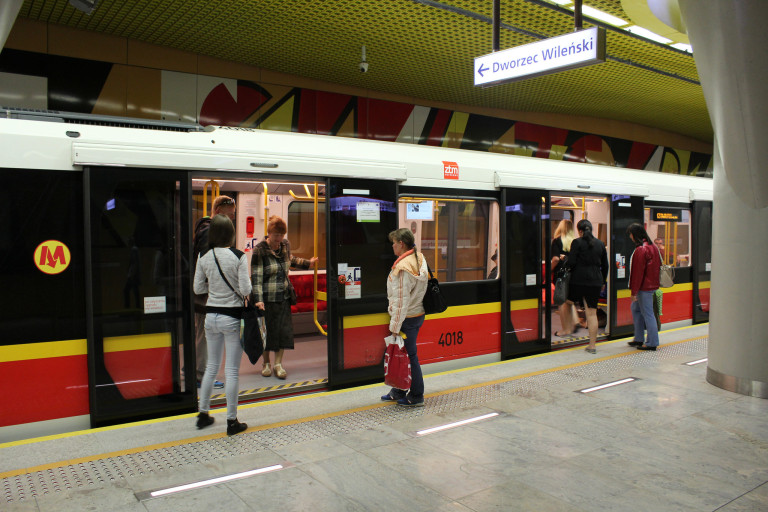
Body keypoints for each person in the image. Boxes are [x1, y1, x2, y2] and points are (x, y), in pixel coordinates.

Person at [193, 214, 250, 435]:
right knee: (232, 370)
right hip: (231, 317)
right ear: (231, 233)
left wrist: (215, 290)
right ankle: (232, 421)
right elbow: (245, 290)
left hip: (210, 317)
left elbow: (198, 289)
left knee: (211, 366)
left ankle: (203, 414)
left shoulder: (203, 255)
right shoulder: (238, 256)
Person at [251, 215, 317, 379]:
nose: (278, 240)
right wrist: (258, 299)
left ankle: (278, 364)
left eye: (281, 236)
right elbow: (256, 276)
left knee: (282, 331)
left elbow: (290, 260)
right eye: (275, 236)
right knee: (266, 332)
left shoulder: (285, 245)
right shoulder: (260, 249)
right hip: (266, 298)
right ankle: (266, 363)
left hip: (284, 295)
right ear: (269, 234)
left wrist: (308, 263)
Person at [381, 228, 429, 407]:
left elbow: (401, 300)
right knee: (405, 356)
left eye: (394, 243)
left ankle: (417, 395)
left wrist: (394, 326)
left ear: (401, 244)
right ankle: (399, 389)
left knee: (409, 356)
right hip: (416, 314)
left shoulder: (403, 268)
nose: (392, 246)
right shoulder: (418, 258)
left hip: (406, 318)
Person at [192, 195, 236, 389]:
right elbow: (209, 264)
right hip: (206, 295)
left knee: (203, 332)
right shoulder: (210, 232)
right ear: (218, 211)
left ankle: (197, 369)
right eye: (230, 215)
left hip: (203, 293)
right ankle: (201, 374)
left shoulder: (204, 230)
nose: (232, 219)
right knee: (206, 334)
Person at [565, 219, 609, 354]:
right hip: (595, 281)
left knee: (566, 303)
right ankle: (592, 346)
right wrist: (602, 282)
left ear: (579, 230)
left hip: (578, 281)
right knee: (591, 313)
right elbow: (605, 266)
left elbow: (571, 262)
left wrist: (565, 264)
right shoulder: (600, 244)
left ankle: (567, 329)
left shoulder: (577, 242)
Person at [628, 223, 662, 351]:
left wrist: (634, 292)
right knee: (636, 310)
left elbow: (638, 273)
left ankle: (652, 342)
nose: (630, 237)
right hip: (652, 285)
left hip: (644, 288)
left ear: (635, 235)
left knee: (648, 314)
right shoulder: (653, 247)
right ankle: (638, 338)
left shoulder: (641, 249)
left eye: (631, 234)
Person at [550, 219, 577, 337]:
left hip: (561, 275)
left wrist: (548, 270)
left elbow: (555, 259)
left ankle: (564, 330)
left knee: (561, 302)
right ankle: (570, 328)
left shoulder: (557, 241)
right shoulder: (576, 242)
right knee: (569, 302)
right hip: (574, 274)